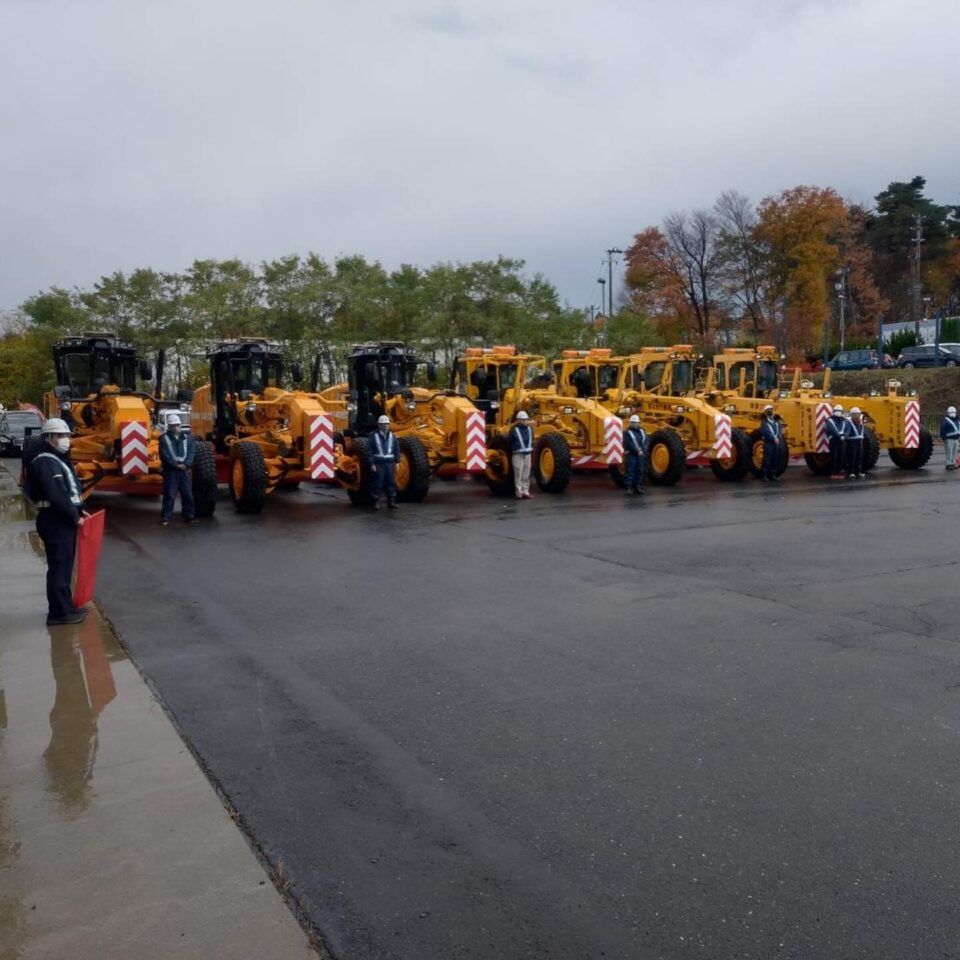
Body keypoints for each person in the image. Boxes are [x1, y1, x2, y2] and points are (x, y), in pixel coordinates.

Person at [25, 418, 89, 626]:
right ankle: (59, 614)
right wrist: (75, 517)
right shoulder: (45, 462)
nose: (65, 440)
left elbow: (68, 492)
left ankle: (66, 607)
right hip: (55, 520)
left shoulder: (55, 459)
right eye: (60, 436)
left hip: (60, 518)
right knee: (59, 569)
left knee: (64, 567)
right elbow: (57, 495)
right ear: (49, 438)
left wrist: (79, 509)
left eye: (67, 436)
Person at [159, 414, 196, 526]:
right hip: (171, 471)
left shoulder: (188, 438)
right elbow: (165, 455)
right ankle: (166, 517)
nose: (176, 427)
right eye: (173, 425)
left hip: (184, 471)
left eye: (177, 425)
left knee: (187, 494)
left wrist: (186, 464)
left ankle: (189, 516)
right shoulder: (164, 439)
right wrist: (176, 465)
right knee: (169, 495)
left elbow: (191, 452)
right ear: (169, 427)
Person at [369, 414, 399, 510]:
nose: (385, 426)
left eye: (386, 424)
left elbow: (396, 450)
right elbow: (370, 451)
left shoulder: (392, 436)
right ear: (379, 425)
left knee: (391, 482)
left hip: (390, 463)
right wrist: (372, 463)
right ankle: (375, 502)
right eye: (383, 424)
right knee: (377, 483)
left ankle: (391, 501)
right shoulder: (374, 436)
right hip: (379, 463)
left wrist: (397, 462)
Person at [508, 410, 534, 499]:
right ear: (518, 420)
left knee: (526, 474)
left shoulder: (529, 429)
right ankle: (519, 492)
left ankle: (525, 491)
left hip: (527, 454)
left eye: (525, 419)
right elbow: (509, 442)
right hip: (518, 454)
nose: (524, 421)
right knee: (518, 474)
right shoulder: (514, 430)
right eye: (522, 419)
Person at [623, 414, 647, 495]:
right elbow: (628, 444)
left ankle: (637, 486)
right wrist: (637, 451)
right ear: (630, 423)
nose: (635, 424)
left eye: (636, 422)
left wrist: (644, 450)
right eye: (633, 422)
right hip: (632, 454)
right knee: (630, 470)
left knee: (639, 470)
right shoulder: (627, 432)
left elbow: (646, 441)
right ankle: (629, 487)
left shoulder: (642, 431)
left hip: (640, 454)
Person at [760, 404, 784, 481]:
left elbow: (779, 430)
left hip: (775, 443)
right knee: (767, 459)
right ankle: (764, 475)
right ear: (766, 413)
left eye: (771, 411)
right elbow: (767, 432)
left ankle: (772, 475)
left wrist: (778, 437)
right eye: (769, 411)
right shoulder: (764, 423)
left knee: (775, 459)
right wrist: (774, 438)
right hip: (769, 443)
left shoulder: (776, 422)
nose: (771, 413)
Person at [826, 404, 847, 480]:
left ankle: (839, 472)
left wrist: (845, 436)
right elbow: (832, 429)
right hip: (834, 440)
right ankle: (833, 472)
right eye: (837, 411)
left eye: (840, 411)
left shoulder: (843, 420)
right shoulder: (830, 420)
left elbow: (846, 429)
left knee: (841, 456)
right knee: (834, 456)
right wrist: (839, 436)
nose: (838, 412)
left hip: (841, 440)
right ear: (834, 411)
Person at [845, 407, 866, 478]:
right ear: (852, 415)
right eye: (855, 414)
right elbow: (847, 431)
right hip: (852, 442)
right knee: (852, 457)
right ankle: (851, 472)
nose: (857, 416)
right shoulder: (848, 422)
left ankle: (858, 471)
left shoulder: (860, 422)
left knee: (859, 457)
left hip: (859, 441)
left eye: (858, 414)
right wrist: (844, 436)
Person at [941, 406, 960, 470]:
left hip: (956, 439)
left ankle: (953, 463)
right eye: (952, 412)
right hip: (949, 439)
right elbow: (943, 430)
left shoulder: (957, 420)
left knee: (954, 452)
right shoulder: (946, 421)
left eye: (954, 412)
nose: (953, 413)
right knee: (949, 452)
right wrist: (944, 438)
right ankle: (948, 464)